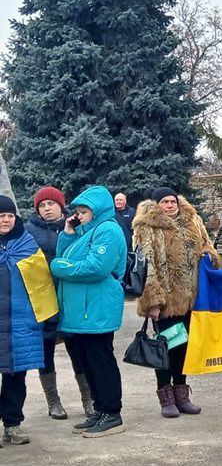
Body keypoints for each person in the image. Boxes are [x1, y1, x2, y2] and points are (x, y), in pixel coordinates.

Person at [133, 187, 220, 418]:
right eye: (165, 202)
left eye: (173, 201)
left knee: (183, 349)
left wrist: (210, 255)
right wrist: (153, 301)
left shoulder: (193, 220)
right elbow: (146, 266)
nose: (170, 205)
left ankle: (182, 395)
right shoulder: (147, 226)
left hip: (191, 300)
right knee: (166, 349)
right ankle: (166, 397)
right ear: (157, 204)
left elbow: (207, 244)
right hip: (165, 302)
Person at [51, 186, 127, 438]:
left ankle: (112, 412)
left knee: (100, 361)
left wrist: (60, 267)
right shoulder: (85, 232)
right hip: (81, 311)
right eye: (78, 212)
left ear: (97, 211)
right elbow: (66, 256)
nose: (79, 216)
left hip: (96, 309)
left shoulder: (108, 230)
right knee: (87, 362)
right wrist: (68, 233)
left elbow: (96, 267)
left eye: (84, 212)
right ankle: (98, 410)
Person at [25, 186, 93, 420]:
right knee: (45, 351)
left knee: (78, 350)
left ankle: (88, 399)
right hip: (42, 299)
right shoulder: (28, 231)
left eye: (51, 204)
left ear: (60, 206)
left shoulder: (77, 227)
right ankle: (53, 401)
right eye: (42, 205)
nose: (47, 208)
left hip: (70, 297)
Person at [0, 195, 50, 445]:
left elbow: (42, 283)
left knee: (15, 377)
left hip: (21, 323)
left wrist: (44, 317)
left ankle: (12, 424)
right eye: (1, 216)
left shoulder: (27, 244)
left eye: (9, 215)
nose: (6, 220)